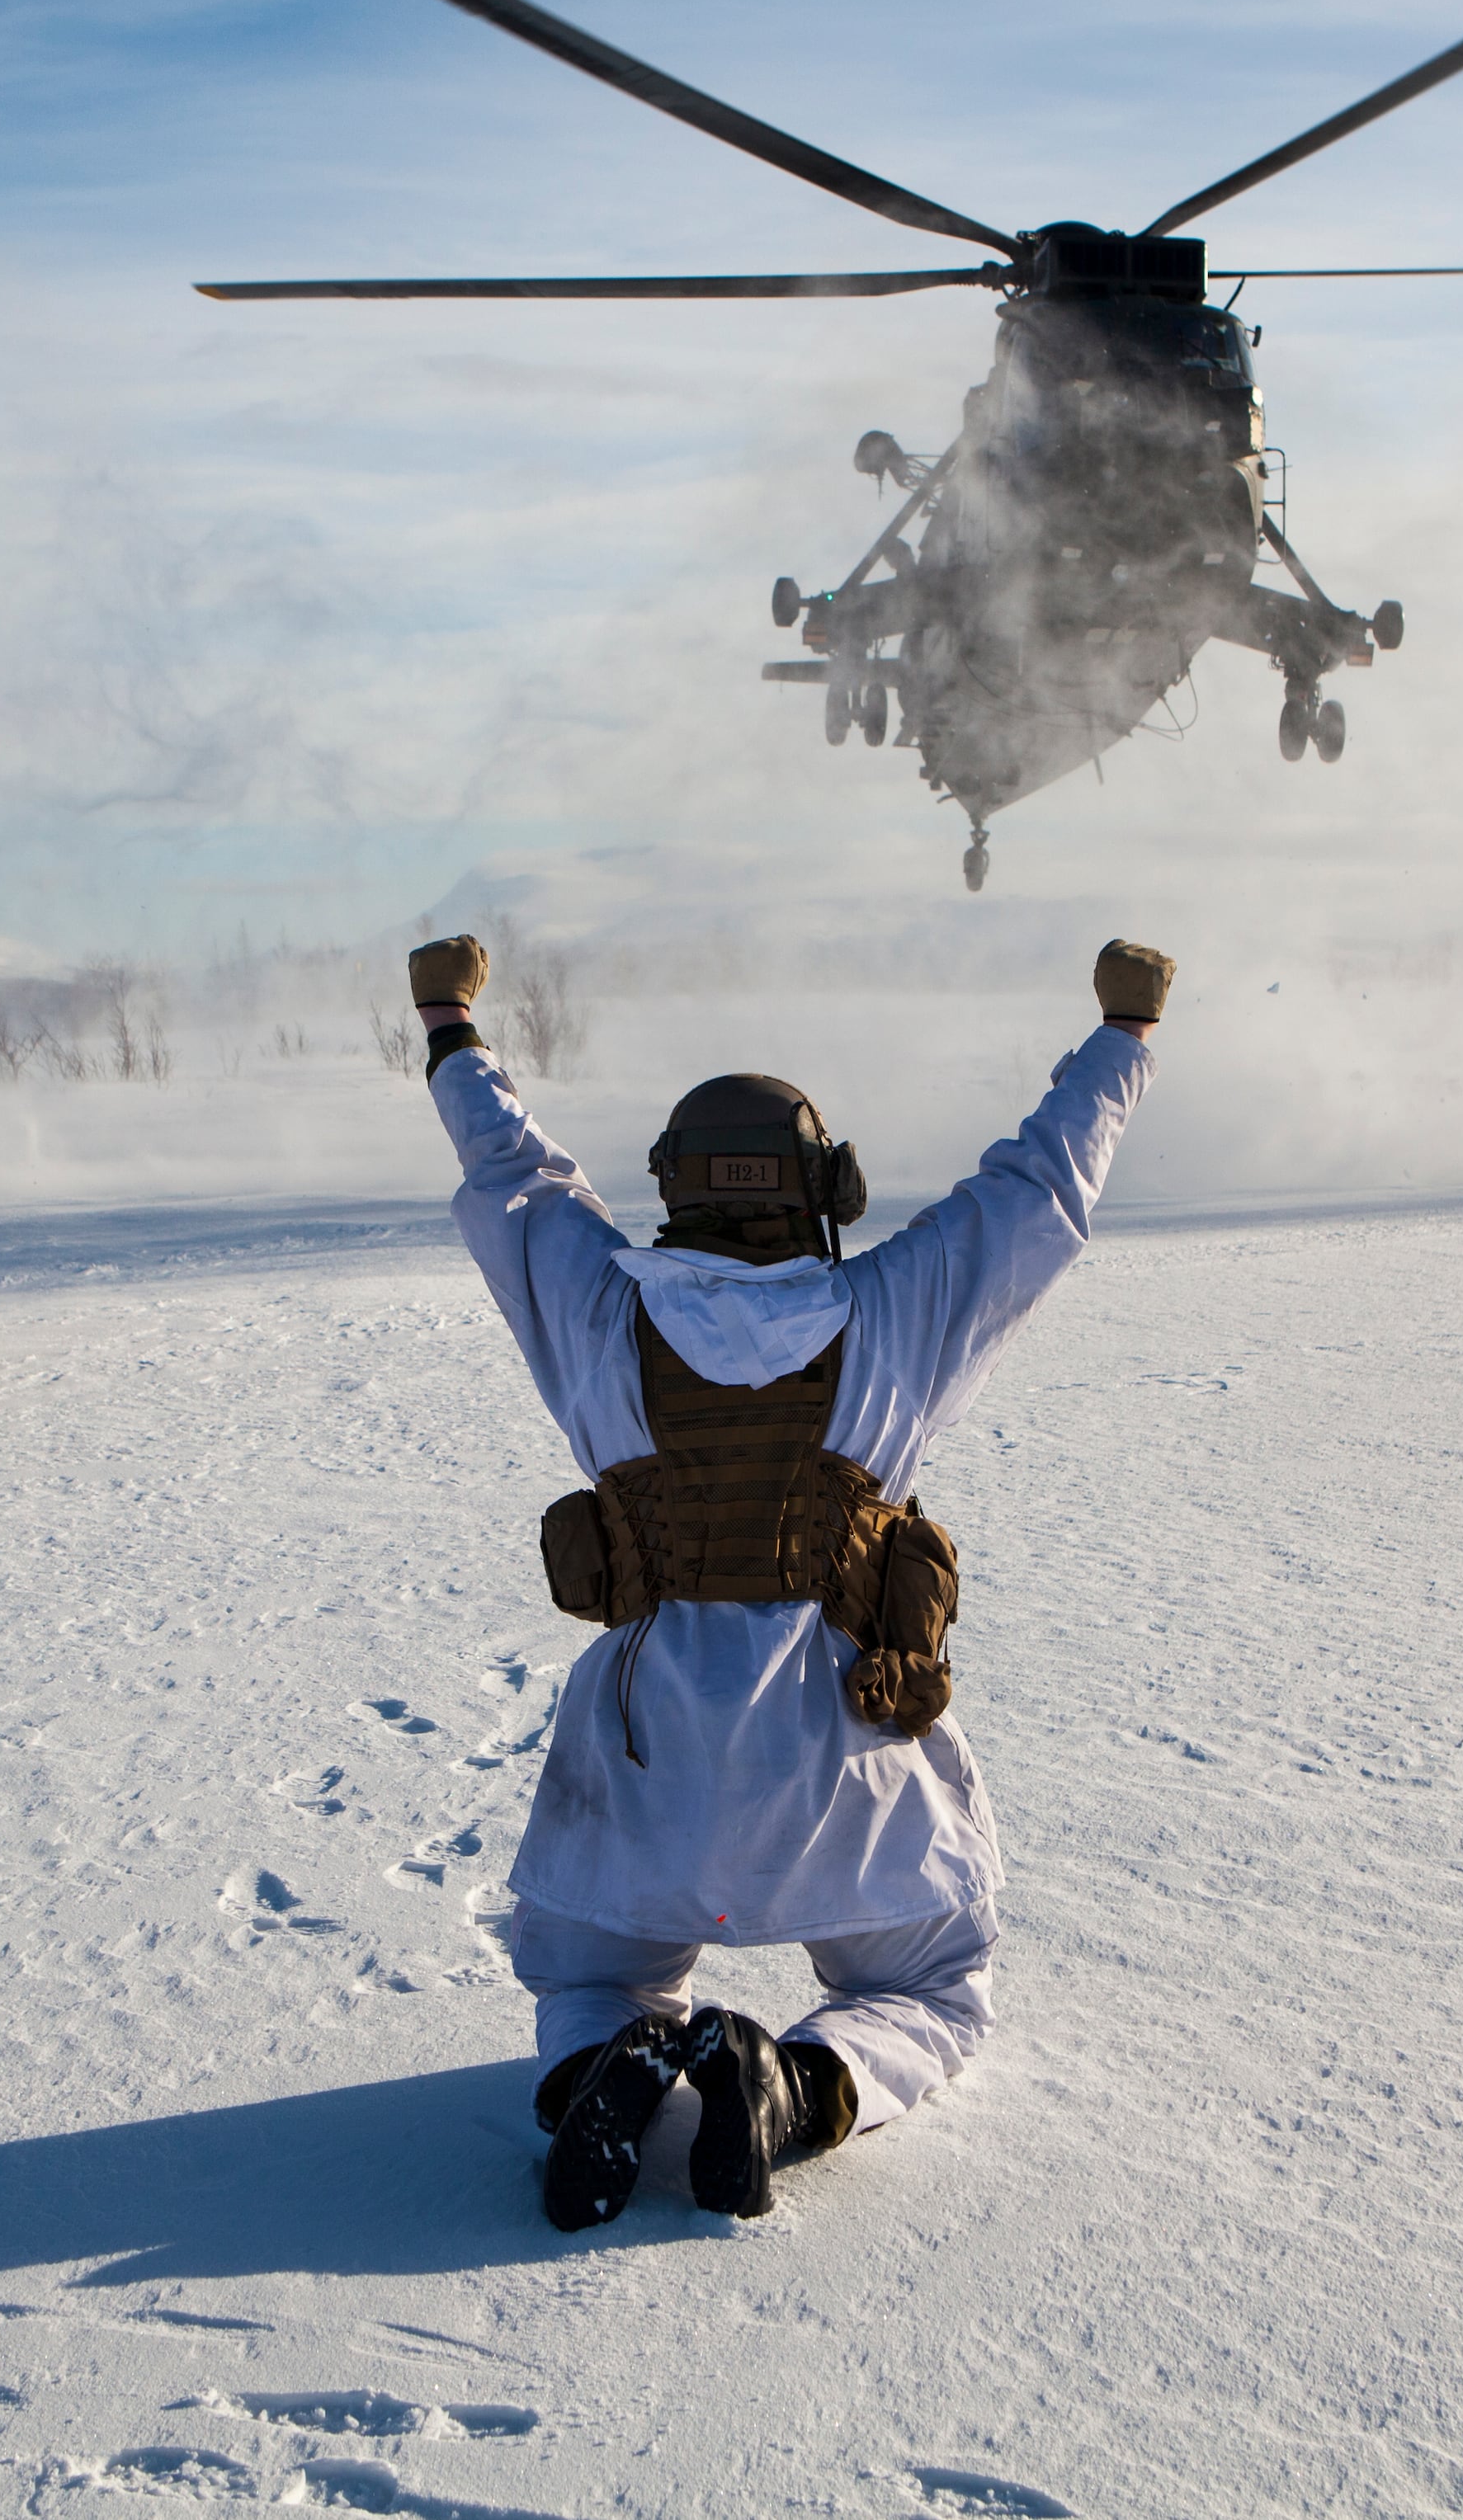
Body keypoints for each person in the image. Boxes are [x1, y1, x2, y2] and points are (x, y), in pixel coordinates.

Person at [414, 928, 1170, 2230]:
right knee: (931, 1986)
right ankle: (795, 2087)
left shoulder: (596, 1304)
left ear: (674, 1191)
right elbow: (1039, 1191)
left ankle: (599, 2069)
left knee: (592, 1978)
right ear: (825, 1187)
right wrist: (1123, 1037)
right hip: (843, 1754)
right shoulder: (896, 1311)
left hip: (644, 1760)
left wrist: (449, 1027)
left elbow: (511, 1176)